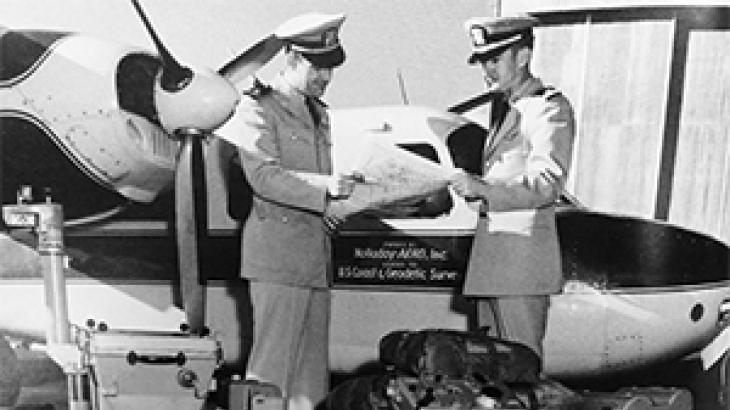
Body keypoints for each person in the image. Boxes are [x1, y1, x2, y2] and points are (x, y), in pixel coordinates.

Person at [215, 12, 366, 410]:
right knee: (270, 375)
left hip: (314, 259)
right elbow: (263, 176)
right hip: (278, 259)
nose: (326, 78)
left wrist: (333, 206)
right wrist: (326, 189)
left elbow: (309, 185)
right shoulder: (258, 109)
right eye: (318, 68)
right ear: (293, 59)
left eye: (330, 69)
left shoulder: (319, 114)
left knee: (309, 383)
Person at [449, 15, 576, 361]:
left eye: (494, 60)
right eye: (483, 63)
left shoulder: (547, 108)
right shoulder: (506, 110)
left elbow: (547, 183)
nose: (487, 71)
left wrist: (484, 188)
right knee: (489, 378)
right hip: (494, 264)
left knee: (519, 370)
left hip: (520, 267)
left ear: (522, 57)